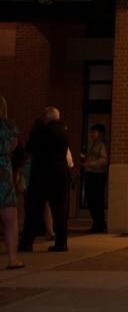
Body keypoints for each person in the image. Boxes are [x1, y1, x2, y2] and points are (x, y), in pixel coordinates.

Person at [18, 107, 71, 252]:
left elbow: (29, 148)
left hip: (41, 174)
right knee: (60, 209)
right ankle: (62, 242)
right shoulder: (63, 132)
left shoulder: (40, 130)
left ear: (47, 116)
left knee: (33, 209)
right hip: (60, 174)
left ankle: (26, 243)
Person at [0, 96, 24, 270]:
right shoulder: (9, 125)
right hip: (4, 173)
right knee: (10, 218)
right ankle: (13, 259)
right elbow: (15, 146)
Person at [81, 123, 108, 233]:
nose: (91, 134)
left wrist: (89, 164)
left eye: (94, 132)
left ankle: (99, 224)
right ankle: (98, 223)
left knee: (96, 200)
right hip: (91, 175)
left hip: (97, 175)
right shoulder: (93, 144)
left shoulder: (101, 145)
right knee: (92, 200)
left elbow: (104, 161)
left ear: (100, 133)